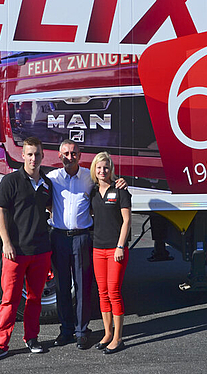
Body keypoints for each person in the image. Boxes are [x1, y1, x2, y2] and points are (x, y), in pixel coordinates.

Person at [46, 139, 126, 350]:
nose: (69, 157)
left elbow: (108, 182)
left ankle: (82, 332)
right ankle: (65, 330)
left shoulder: (89, 179)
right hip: (59, 237)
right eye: (66, 153)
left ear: (79, 156)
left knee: (82, 287)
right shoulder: (52, 178)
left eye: (74, 153)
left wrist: (121, 181)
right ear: (59, 155)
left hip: (82, 238)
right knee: (62, 286)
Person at [0, 137, 53, 362]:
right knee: (9, 300)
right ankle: (0, 344)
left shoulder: (46, 184)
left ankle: (31, 338)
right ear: (23, 155)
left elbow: (51, 209)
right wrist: (6, 242)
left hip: (40, 251)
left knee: (34, 299)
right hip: (15, 252)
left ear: (43, 156)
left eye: (37, 154)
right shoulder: (11, 181)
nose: (33, 158)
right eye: (29, 154)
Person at [89, 152, 131, 354]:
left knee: (114, 292)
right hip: (98, 248)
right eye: (99, 167)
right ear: (94, 170)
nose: (102, 171)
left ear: (111, 169)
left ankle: (118, 337)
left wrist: (120, 247)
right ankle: (107, 333)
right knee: (102, 292)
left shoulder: (121, 190)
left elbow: (127, 221)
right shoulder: (93, 192)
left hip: (116, 250)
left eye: (105, 167)